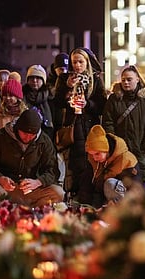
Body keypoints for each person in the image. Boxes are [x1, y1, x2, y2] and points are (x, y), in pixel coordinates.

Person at [0, 109, 64, 207]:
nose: (27, 138)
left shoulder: (44, 141)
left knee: (58, 193)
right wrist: (0, 178)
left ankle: (33, 214)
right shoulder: (0, 137)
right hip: (4, 188)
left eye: (32, 135)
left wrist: (38, 182)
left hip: (30, 190)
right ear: (17, 128)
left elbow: (52, 170)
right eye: (25, 133)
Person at [55, 47, 107, 195]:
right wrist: (68, 88)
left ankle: (89, 195)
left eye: (80, 62)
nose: (77, 65)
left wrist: (88, 104)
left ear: (87, 62)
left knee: (91, 162)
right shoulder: (65, 78)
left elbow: (103, 105)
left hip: (90, 126)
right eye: (74, 62)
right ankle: (75, 195)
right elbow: (57, 103)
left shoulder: (95, 79)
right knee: (75, 163)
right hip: (73, 126)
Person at [102, 65, 145, 191]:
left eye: (129, 79)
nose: (126, 82)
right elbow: (108, 122)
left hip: (142, 151)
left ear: (137, 79)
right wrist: (116, 144)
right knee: (125, 185)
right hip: (122, 153)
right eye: (123, 79)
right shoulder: (114, 99)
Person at [77, 125, 139, 208]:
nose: (94, 158)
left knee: (110, 184)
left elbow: (135, 188)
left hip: (128, 203)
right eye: (91, 155)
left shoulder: (127, 160)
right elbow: (88, 185)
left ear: (106, 150)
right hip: (105, 201)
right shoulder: (93, 161)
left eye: (97, 153)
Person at [23, 64, 54, 140]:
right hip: (27, 133)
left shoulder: (50, 96)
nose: (34, 80)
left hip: (46, 134)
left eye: (38, 78)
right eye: (32, 78)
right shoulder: (22, 95)